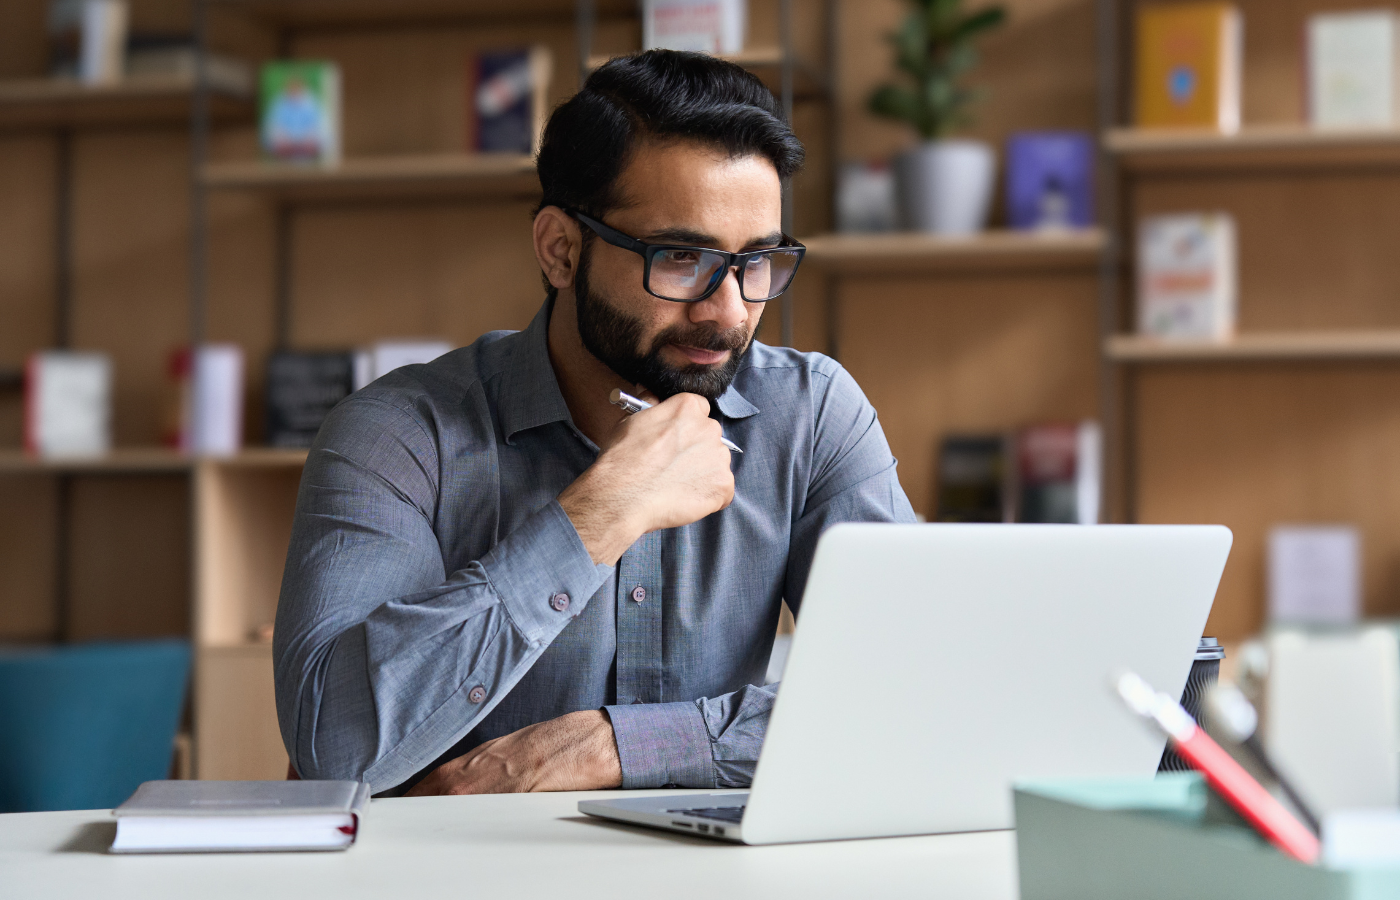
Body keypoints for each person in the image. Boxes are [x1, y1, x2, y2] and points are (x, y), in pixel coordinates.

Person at [273, 49, 916, 796]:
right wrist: (598, 515)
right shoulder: (397, 435)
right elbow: (334, 748)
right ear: (560, 250)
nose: (731, 311)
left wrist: (610, 747)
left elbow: (919, 694)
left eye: (757, 262)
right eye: (681, 257)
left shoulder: (811, 415)